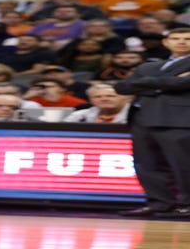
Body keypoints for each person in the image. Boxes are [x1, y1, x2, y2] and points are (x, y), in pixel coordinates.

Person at [115, 28, 190, 218]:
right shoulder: (148, 66)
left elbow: (182, 84)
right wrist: (162, 82)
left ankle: (187, 205)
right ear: (166, 43)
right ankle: (159, 203)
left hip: (179, 120)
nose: (182, 42)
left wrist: (145, 84)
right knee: (146, 165)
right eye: (176, 38)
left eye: (187, 39)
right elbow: (122, 87)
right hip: (143, 118)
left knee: (183, 165)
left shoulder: (146, 71)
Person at [63, 84, 131, 123]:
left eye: (110, 96)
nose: (104, 99)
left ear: (125, 99)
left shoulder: (138, 115)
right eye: (97, 97)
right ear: (91, 101)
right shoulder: (80, 115)